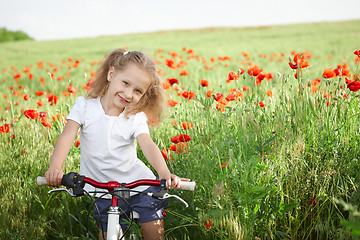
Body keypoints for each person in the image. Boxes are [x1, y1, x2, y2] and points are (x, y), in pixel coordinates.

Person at [45, 49, 182, 240]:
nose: (128, 93)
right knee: (107, 234)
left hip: (138, 186)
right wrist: (55, 168)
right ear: (111, 74)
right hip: (101, 191)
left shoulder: (134, 117)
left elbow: (148, 145)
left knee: (153, 229)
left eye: (137, 91)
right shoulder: (85, 107)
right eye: (125, 83)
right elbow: (67, 136)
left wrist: (164, 173)